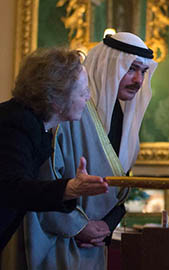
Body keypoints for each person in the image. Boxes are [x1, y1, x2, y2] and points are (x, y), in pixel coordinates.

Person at [24, 32, 157, 270]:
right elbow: (43, 177)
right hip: (56, 239)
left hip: (95, 244)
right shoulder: (69, 108)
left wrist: (107, 225)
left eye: (143, 72)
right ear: (108, 66)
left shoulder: (124, 118)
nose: (138, 80)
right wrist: (78, 226)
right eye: (131, 69)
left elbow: (120, 185)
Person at [0, 48, 108, 251]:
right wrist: (69, 188)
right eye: (83, 91)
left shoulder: (35, 126)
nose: (88, 97)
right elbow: (11, 189)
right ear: (56, 98)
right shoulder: (16, 124)